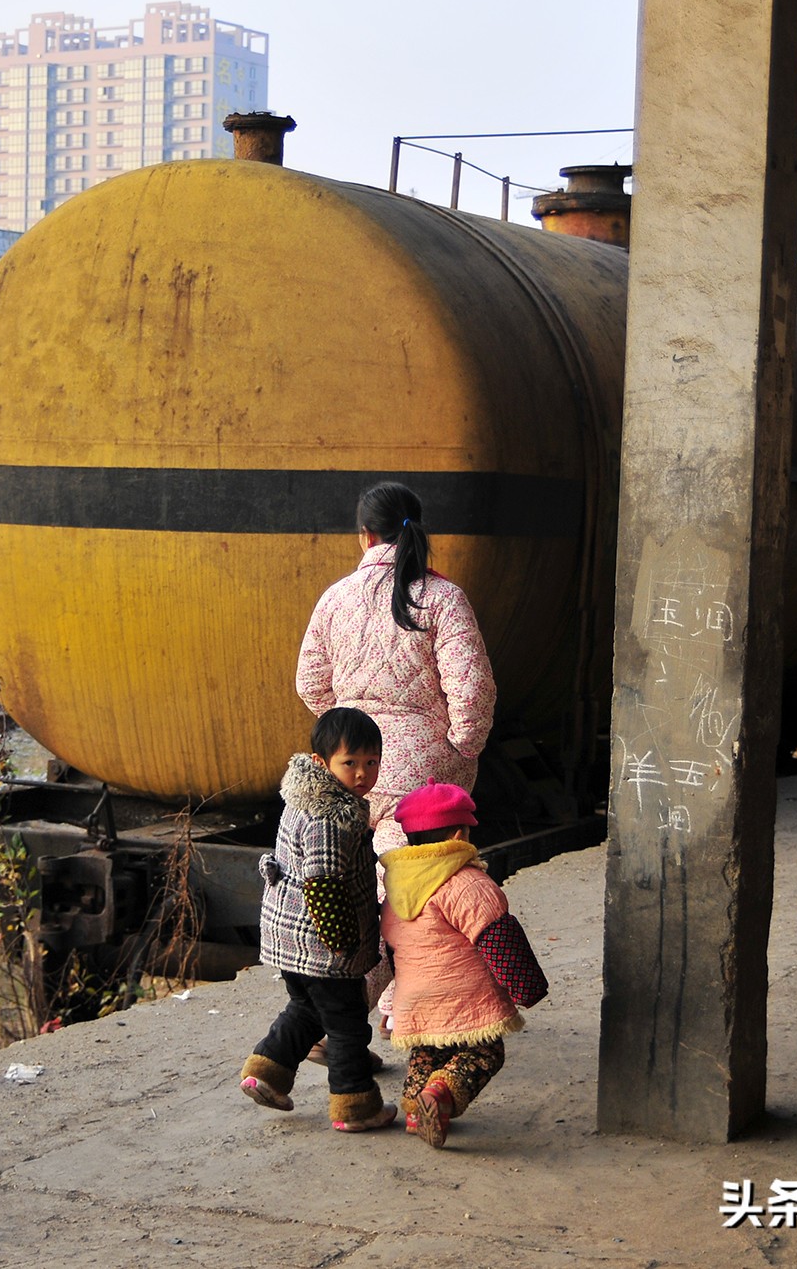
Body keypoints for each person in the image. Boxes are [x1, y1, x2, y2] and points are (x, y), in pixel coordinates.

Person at [296, 481, 497, 856]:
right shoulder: (442, 597)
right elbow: (473, 690)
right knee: (408, 880)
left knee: (345, 875)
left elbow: (310, 683)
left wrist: (350, 731)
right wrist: (461, 749)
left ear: (365, 536)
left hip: (350, 765)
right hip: (424, 773)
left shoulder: (335, 597)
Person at [238, 707, 396, 1133]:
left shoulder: (305, 799)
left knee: (306, 1009)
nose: (362, 773)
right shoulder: (330, 817)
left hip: (290, 940)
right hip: (323, 944)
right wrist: (343, 947)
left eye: (371, 763)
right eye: (351, 763)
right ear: (321, 763)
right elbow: (323, 884)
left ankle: (264, 1073)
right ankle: (355, 1107)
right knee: (346, 1026)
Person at [380, 781, 548, 1149]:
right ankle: (439, 1094)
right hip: (463, 994)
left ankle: (414, 1109)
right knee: (484, 1051)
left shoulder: (396, 890)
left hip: (415, 997)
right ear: (460, 833)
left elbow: (395, 950)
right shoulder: (467, 882)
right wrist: (528, 989)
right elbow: (499, 937)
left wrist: (392, 1002)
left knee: (427, 1050)